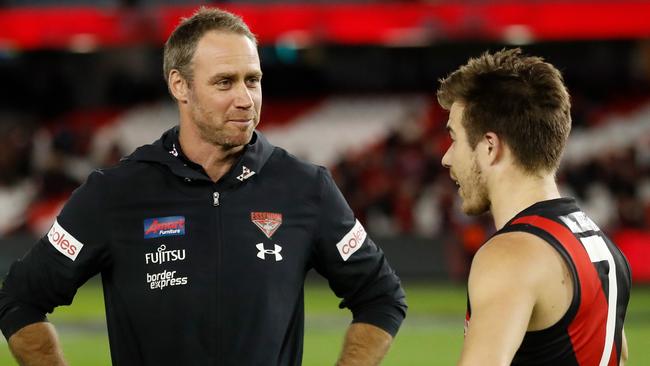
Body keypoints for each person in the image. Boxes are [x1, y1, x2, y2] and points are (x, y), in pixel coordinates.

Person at [0, 7, 407, 366]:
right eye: (225, 82)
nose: (246, 99)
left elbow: (381, 296)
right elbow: (19, 300)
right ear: (180, 86)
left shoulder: (306, 188)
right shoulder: (115, 193)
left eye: (253, 80)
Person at [437, 48, 631, 366]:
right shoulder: (600, 244)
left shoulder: (511, 254)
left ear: (489, 147)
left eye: (454, 138)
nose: (447, 157)